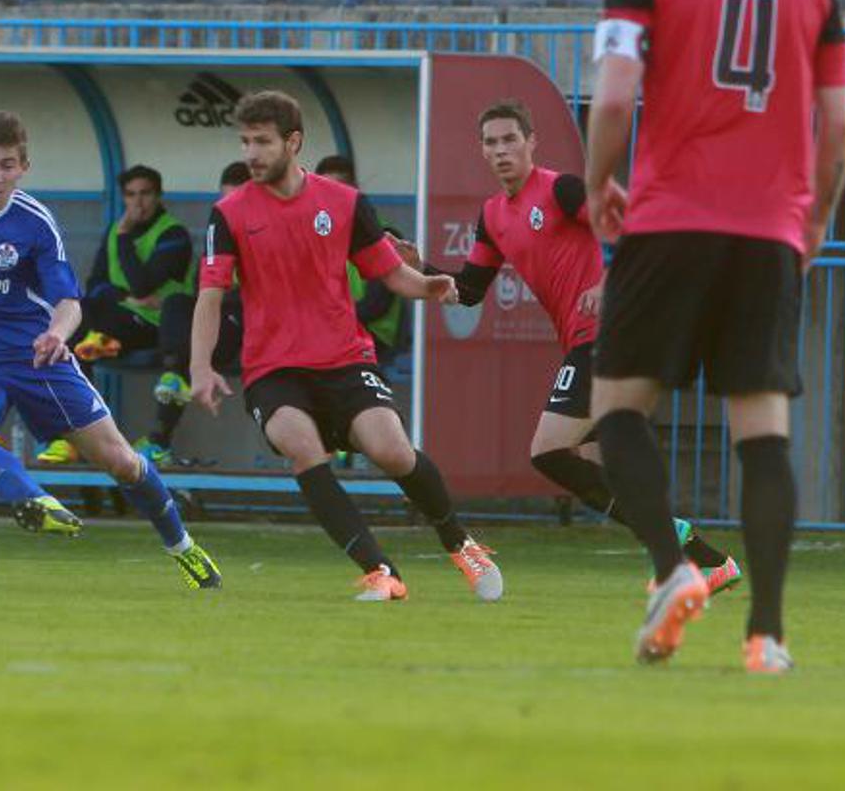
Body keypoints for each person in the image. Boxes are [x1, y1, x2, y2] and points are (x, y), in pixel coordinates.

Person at [585, 0, 845, 672]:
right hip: (768, 231)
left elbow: (614, 97)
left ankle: (671, 569)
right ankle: (766, 636)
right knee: (762, 436)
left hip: (669, 220)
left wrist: (596, 183)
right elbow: (839, 124)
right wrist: (813, 218)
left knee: (616, 413)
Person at [0, 110, 222, 590]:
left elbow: (70, 303)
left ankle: (183, 547)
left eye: (7, 165)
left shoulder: (35, 223)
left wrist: (58, 333)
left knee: (121, 460)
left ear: (23, 167)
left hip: (34, 357)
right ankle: (31, 499)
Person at [400, 101, 742, 594]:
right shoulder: (493, 216)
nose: (501, 150)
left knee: (549, 452)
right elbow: (469, 291)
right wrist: (419, 269)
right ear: (482, 151)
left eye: (510, 139)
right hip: (587, 341)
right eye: (491, 142)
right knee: (605, 472)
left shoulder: (561, 190)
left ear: (531, 142)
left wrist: (607, 282)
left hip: (611, 334)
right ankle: (705, 562)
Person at [190, 90, 503, 603]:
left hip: (344, 358)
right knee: (301, 446)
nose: (251, 153)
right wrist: (200, 367)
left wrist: (431, 285)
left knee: (392, 451)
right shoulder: (228, 213)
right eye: (245, 142)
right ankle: (382, 572)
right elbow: (210, 295)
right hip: (273, 368)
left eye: (262, 142)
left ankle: (460, 542)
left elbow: (391, 273)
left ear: (293, 142)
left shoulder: (344, 203)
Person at [43, 165, 195, 463]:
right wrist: (126, 296)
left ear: (158, 196)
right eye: (131, 195)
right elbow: (96, 284)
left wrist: (125, 239)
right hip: (116, 319)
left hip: (155, 326)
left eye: (145, 194)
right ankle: (75, 435)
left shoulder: (174, 234)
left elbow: (142, 283)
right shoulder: (114, 230)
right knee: (71, 334)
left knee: (87, 328)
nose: (138, 202)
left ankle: (102, 343)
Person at [145, 161, 252, 466]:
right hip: (214, 318)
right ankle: (174, 375)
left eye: (237, 201)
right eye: (225, 201)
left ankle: (158, 442)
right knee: (177, 303)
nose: (229, 209)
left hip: (245, 321)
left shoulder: (266, 232)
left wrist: (225, 292)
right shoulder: (219, 233)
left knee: (207, 333)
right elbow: (200, 285)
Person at [312, 155, 406, 365]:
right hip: (332, 332)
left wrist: (327, 319)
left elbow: (375, 305)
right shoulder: (319, 234)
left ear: (354, 191)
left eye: (337, 190)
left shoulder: (384, 235)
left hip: (372, 335)